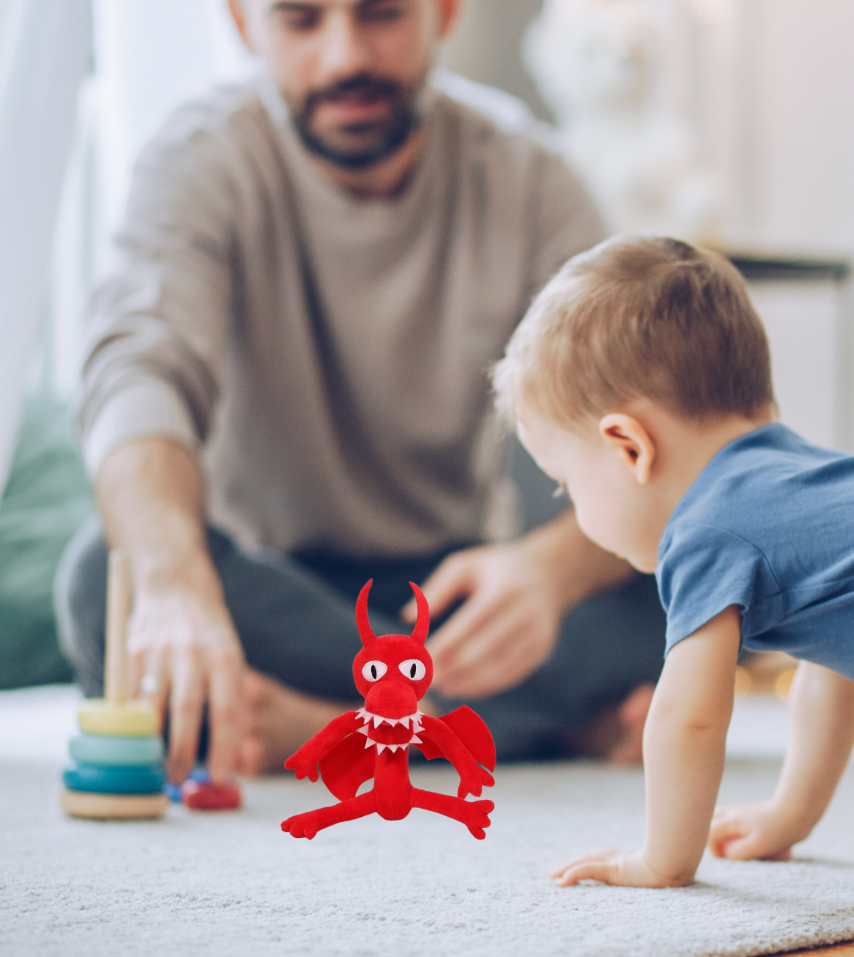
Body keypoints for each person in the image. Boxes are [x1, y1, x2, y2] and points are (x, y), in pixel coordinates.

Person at [56, 0, 667, 789]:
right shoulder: (197, 160)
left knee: (688, 575)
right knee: (106, 578)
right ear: (245, 24)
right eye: (302, 20)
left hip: (449, 601)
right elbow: (138, 370)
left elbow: (647, 429)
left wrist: (549, 571)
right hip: (272, 586)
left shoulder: (532, 177)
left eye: (379, 14)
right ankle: (511, 727)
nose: (344, 57)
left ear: (443, 12)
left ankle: (340, 729)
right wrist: (176, 585)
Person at [496, 233, 854, 947]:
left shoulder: (708, 529)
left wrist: (663, 861)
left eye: (566, 483)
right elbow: (836, 667)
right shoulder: (793, 491)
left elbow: (687, 718)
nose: (573, 506)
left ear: (628, 446)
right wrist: (792, 813)